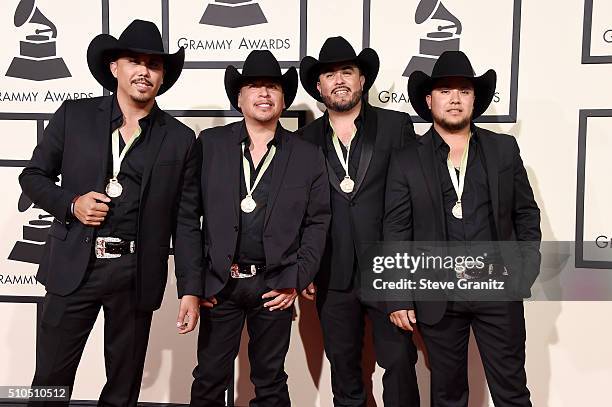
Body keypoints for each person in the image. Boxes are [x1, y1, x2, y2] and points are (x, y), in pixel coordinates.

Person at [20, 20, 202, 406]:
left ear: (162, 75)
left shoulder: (181, 139)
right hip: (74, 266)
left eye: (153, 64)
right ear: (114, 68)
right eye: (134, 61)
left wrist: (190, 290)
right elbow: (33, 177)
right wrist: (71, 204)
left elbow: (186, 223)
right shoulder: (74, 116)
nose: (144, 71)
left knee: (123, 389)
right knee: (49, 382)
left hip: (135, 275)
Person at [384, 50, 541, 406]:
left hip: (498, 288)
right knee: (448, 394)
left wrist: (523, 271)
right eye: (445, 91)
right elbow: (396, 231)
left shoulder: (503, 149)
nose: (455, 99)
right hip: (438, 293)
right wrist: (398, 295)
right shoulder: (406, 159)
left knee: (512, 391)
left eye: (464, 91)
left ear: (475, 99)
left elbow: (526, 215)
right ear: (429, 99)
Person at [190, 50, 331, 407]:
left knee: (270, 381)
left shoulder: (307, 154)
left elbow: (318, 222)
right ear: (239, 98)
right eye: (254, 86)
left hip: (274, 284)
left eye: (272, 87)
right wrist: (195, 283)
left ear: (284, 99)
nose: (264, 94)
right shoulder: (210, 145)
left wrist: (297, 277)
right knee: (208, 379)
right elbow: (187, 216)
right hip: (218, 284)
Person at [298, 36, 420, 407]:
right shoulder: (303, 140)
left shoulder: (396, 127)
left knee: (400, 364)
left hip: (387, 271)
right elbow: (299, 209)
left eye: (347, 72)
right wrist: (305, 267)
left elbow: (415, 199)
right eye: (329, 74)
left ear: (362, 80)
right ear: (318, 86)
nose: (338, 80)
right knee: (345, 370)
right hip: (331, 273)